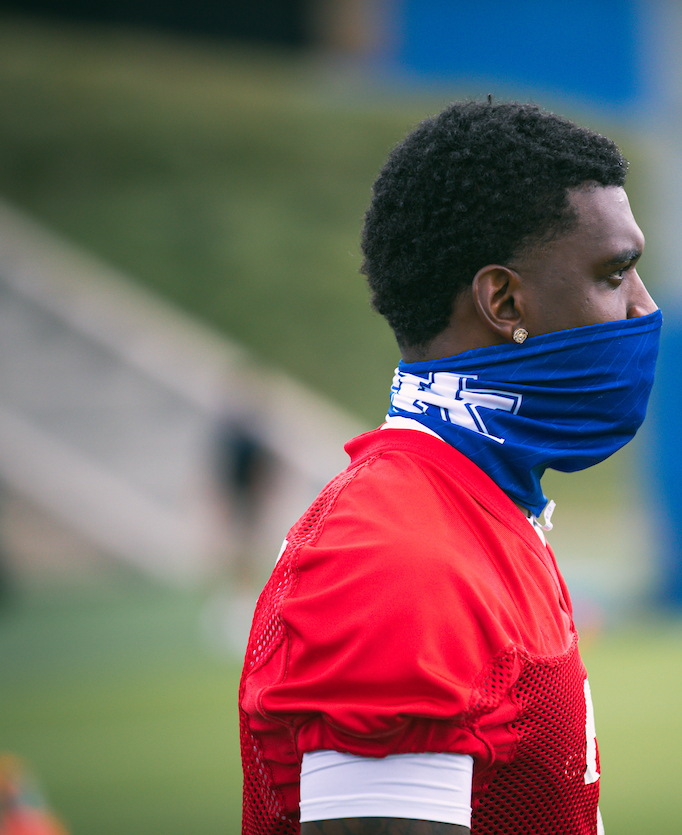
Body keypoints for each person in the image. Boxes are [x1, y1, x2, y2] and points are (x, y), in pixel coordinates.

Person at [238, 100, 660, 835]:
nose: (643, 306)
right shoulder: (394, 557)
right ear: (502, 299)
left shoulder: (474, 505)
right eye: (613, 273)